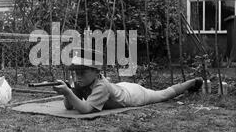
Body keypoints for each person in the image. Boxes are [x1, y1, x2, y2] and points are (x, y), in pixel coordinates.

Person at [53, 48, 203, 114]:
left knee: (162, 95)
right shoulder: (83, 82)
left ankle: (192, 82)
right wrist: (68, 92)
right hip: (119, 87)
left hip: (133, 95)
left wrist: (68, 92)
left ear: (96, 72)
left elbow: (85, 109)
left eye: (82, 72)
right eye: (76, 72)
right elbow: (69, 107)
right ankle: (191, 83)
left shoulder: (100, 86)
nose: (78, 76)